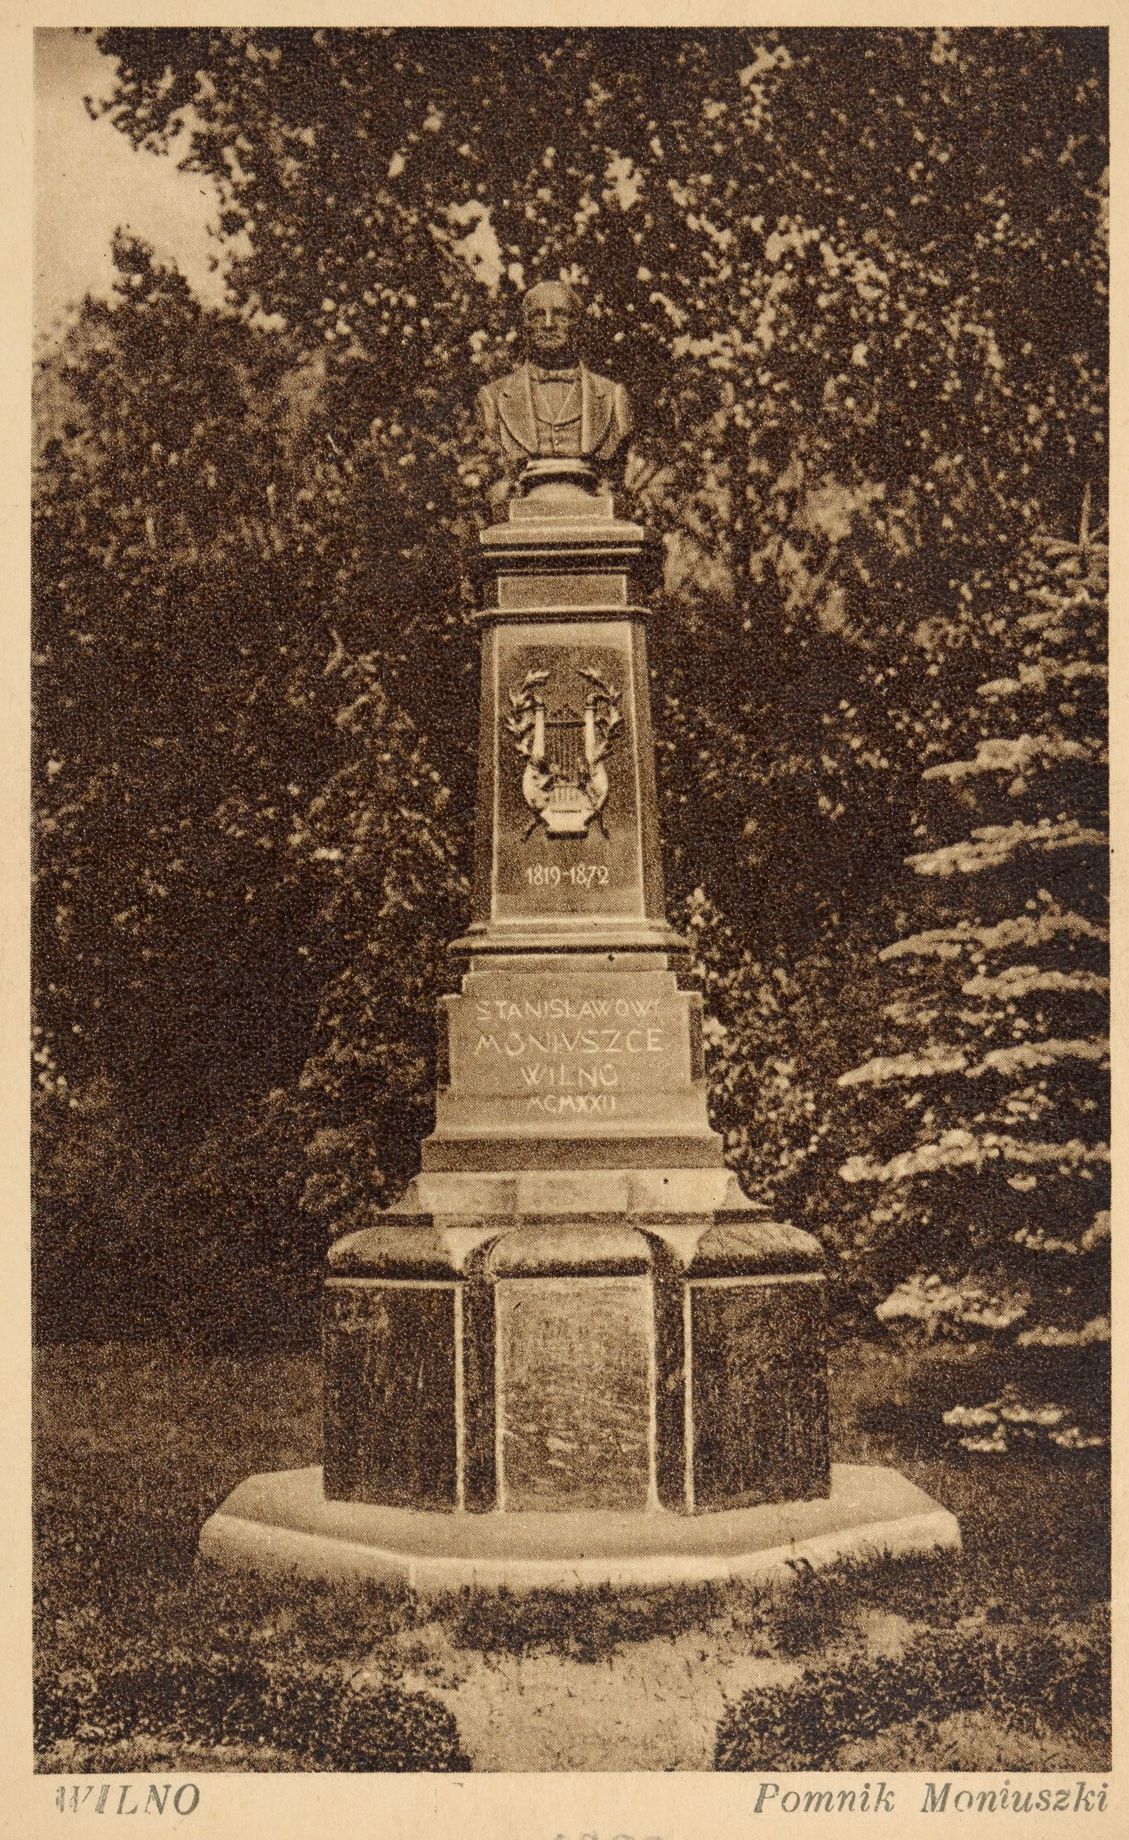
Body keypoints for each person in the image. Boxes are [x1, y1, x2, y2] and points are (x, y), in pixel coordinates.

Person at [476, 281, 632, 477]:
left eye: (560, 314)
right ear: (526, 328)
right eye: (537, 316)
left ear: (578, 325)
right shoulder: (493, 397)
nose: (548, 324)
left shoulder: (612, 396)